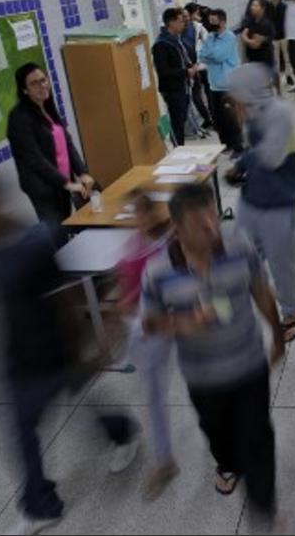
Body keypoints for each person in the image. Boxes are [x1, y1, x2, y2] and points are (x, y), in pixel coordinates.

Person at [0, 180, 138, 535]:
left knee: (83, 411)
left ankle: (122, 433)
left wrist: (80, 350)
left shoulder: (32, 243)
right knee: (22, 431)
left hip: (53, 352)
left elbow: (65, 299)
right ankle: (41, 505)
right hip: (19, 362)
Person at [142, 183, 286, 516]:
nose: (211, 231)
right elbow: (149, 324)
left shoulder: (239, 246)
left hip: (249, 363)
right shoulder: (158, 271)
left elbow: (261, 291)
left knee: (258, 433)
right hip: (202, 376)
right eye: (199, 225)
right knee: (215, 430)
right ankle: (227, 463)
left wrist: (277, 337)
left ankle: (264, 510)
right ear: (177, 230)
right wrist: (182, 323)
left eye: (214, 219)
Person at [222, 62, 295, 345]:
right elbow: (253, 152)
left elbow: (271, 157)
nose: (231, 99)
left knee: (282, 264)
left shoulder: (280, 113)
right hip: (251, 199)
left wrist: (247, 159)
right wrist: (239, 166)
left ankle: (290, 314)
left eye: (235, 92)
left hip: (279, 203)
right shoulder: (252, 110)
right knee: (239, 257)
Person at [115, 190, 177, 501]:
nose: (133, 221)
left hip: (160, 327)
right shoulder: (138, 246)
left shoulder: (161, 247)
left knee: (155, 395)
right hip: (146, 328)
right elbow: (127, 291)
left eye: (137, 213)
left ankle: (165, 461)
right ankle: (164, 459)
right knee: (153, 394)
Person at [7, 62, 94, 234]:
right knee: (57, 234)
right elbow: (34, 158)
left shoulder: (47, 107)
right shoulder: (19, 118)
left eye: (43, 80)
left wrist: (82, 172)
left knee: (67, 223)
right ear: (24, 90)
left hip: (62, 181)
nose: (42, 86)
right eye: (34, 83)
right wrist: (66, 183)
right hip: (43, 187)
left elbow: (66, 142)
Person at [198, 8, 244, 156]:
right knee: (218, 119)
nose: (211, 25)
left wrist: (209, 54)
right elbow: (201, 55)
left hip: (228, 85)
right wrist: (209, 54)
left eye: (214, 22)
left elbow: (218, 56)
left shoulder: (229, 37)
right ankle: (226, 144)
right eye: (210, 21)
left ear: (223, 22)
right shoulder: (210, 37)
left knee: (231, 118)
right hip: (214, 84)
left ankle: (238, 147)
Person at [153, 7, 197, 146]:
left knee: (181, 121)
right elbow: (163, 71)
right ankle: (179, 151)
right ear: (171, 22)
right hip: (173, 90)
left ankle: (181, 147)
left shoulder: (175, 39)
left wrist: (190, 67)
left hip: (183, 87)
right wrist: (186, 72)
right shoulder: (161, 44)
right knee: (177, 124)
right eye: (180, 21)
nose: (183, 23)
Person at [183, 4, 214, 132]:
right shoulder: (189, 29)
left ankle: (210, 118)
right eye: (196, 13)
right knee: (199, 94)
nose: (198, 16)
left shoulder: (198, 28)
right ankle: (209, 118)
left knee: (205, 93)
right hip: (195, 67)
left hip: (200, 66)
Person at [240, 0, 276, 66]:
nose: (252, 8)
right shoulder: (249, 22)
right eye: (252, 5)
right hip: (252, 59)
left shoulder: (267, 24)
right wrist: (249, 40)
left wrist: (262, 39)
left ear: (262, 9)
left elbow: (257, 44)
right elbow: (244, 34)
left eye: (255, 6)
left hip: (265, 60)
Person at [266, 0, 290, 83]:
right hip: (274, 37)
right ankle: (277, 78)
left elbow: (287, 21)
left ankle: (289, 76)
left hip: (284, 35)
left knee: (287, 57)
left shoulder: (284, 7)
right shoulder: (268, 8)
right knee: (276, 59)